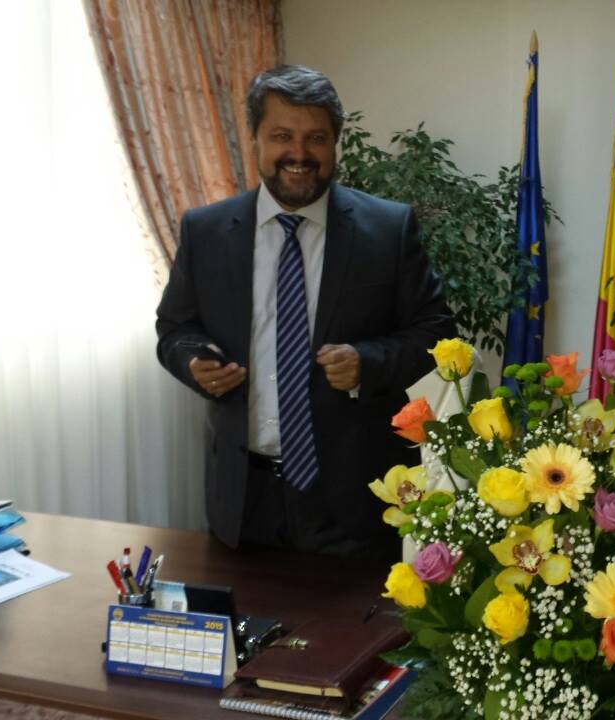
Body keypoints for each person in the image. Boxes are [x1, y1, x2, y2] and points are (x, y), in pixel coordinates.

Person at [155, 65, 456, 558]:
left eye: (316, 137)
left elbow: (436, 332)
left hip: (354, 503)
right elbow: (174, 328)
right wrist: (193, 361)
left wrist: (368, 362)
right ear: (255, 139)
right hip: (242, 500)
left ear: (335, 143)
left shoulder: (387, 229)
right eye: (282, 136)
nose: (299, 153)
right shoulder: (205, 231)